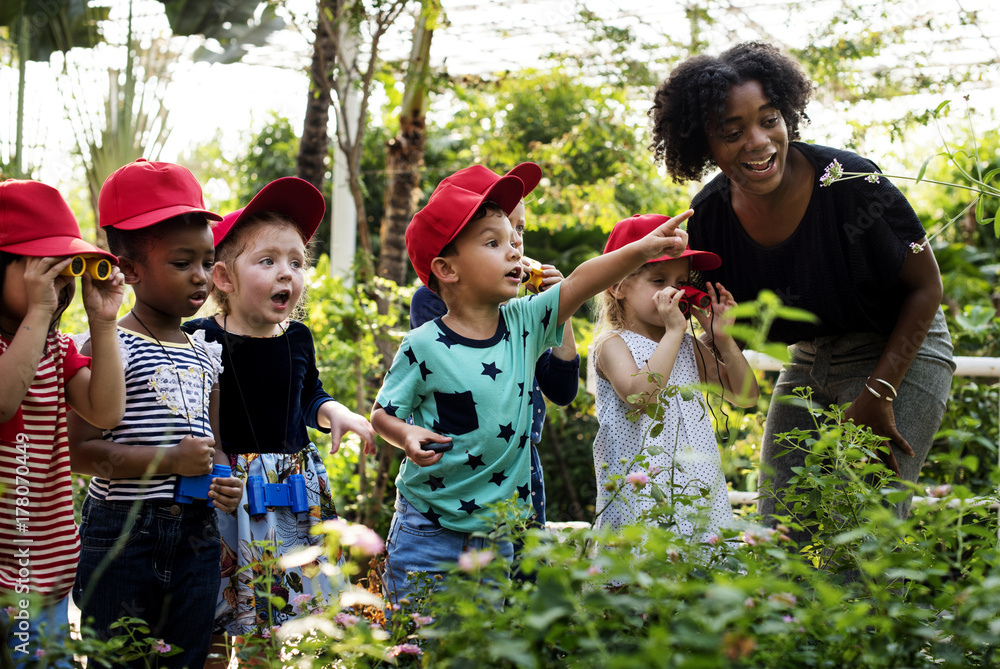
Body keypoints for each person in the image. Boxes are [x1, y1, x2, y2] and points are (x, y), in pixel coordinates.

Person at [648, 41, 955, 542]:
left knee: (865, 531)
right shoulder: (710, 218)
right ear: (705, 144)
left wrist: (879, 393)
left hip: (900, 350)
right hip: (809, 359)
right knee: (779, 533)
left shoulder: (852, 182)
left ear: (787, 113)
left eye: (769, 119)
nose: (758, 141)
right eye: (732, 131)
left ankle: (877, 623)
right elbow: (718, 332)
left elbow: (927, 287)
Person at [371, 165, 692, 607]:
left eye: (514, 237)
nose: (514, 251)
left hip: (500, 531)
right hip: (428, 528)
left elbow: (582, 281)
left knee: (488, 646)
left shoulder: (526, 320)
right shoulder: (423, 343)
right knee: (421, 644)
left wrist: (642, 251)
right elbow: (382, 414)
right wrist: (405, 434)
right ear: (447, 269)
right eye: (493, 242)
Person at [181, 177, 375, 663]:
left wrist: (338, 413)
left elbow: (310, 396)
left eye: (296, 261)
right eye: (267, 261)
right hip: (224, 493)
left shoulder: (298, 338)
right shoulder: (199, 338)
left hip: (289, 494)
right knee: (214, 614)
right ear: (223, 277)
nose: (286, 273)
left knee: (270, 620)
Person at [68, 159, 243, 669]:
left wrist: (224, 478)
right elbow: (81, 452)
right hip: (124, 534)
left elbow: (211, 443)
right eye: (181, 262)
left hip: (198, 535)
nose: (200, 276)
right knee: (117, 659)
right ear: (130, 269)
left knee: (185, 659)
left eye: (206, 260)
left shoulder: (204, 351)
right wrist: (169, 460)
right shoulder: (109, 347)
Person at [408, 162, 580, 538]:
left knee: (520, 580)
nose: (516, 243)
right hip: (459, 471)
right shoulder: (432, 302)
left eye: (519, 230)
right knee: (459, 582)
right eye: (497, 237)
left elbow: (563, 390)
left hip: (518, 463)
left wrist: (559, 309)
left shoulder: (524, 311)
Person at [0, 179, 126, 668]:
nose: (62, 286)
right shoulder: (26, 343)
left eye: (67, 270)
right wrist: (38, 310)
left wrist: (103, 321)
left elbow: (105, 411)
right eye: (44, 269)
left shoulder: (57, 348)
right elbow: (5, 401)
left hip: (47, 576)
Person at [592, 214, 758, 541]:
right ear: (618, 286)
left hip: (696, 492)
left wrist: (722, 339)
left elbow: (746, 395)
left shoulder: (685, 343)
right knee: (638, 584)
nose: (675, 291)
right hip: (640, 498)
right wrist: (673, 333)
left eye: (681, 282)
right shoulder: (611, 344)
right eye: (659, 280)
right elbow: (642, 398)